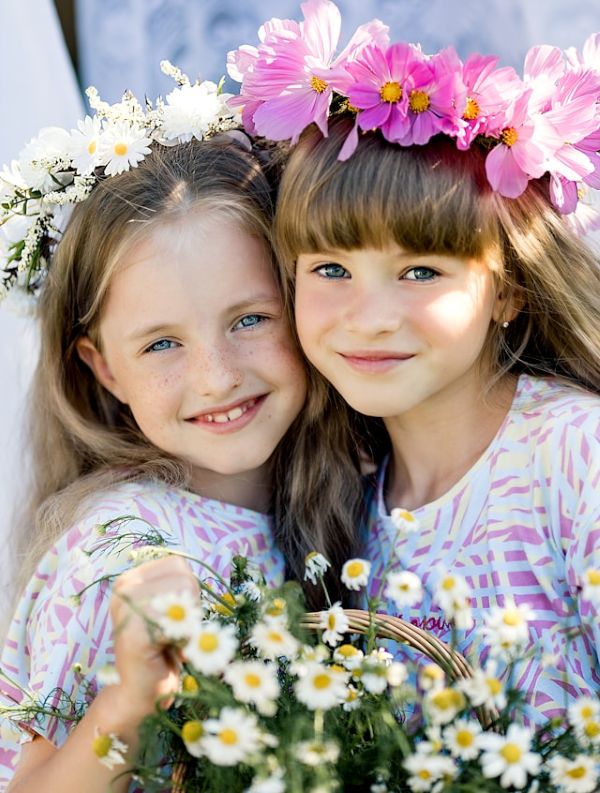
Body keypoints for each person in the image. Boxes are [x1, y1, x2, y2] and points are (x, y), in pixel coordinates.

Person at [229, 1, 600, 722]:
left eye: (421, 271)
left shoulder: (572, 455)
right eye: (331, 269)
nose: (369, 317)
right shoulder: (346, 498)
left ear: (509, 291)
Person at [0, 70, 366, 791]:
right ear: (102, 368)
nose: (216, 376)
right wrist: (131, 700)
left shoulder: (344, 485)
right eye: (161, 343)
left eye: (250, 318)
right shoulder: (114, 552)